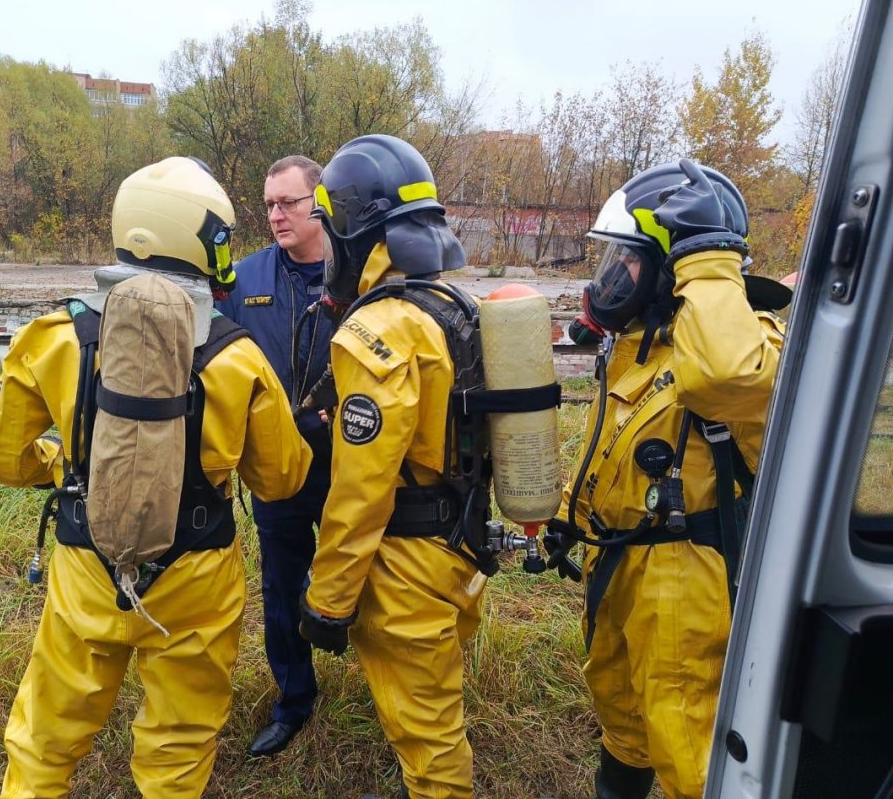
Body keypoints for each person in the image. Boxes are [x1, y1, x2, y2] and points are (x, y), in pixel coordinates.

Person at [0, 156, 312, 799]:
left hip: (84, 564)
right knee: (178, 744)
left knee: (45, 736)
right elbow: (283, 479)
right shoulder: (238, 358)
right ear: (206, 241)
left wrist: (59, 470)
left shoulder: (55, 337)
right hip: (197, 577)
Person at [544, 159, 787, 799]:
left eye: (627, 260)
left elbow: (723, 380)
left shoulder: (743, 342)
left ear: (672, 265)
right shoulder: (642, 345)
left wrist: (708, 254)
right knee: (621, 708)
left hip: (687, 580)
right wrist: (570, 514)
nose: (610, 279)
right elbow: (607, 445)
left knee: (687, 739)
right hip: (624, 567)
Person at [298, 134, 487, 799]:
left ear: (351, 231)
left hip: (406, 563)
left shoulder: (376, 331)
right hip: (458, 543)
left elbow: (361, 489)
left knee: (429, 734)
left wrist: (328, 601)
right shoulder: (449, 307)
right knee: (434, 703)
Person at [217, 155, 334, 757]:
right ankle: (293, 701)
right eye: (268, 204)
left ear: (321, 203)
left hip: (349, 469)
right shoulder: (245, 280)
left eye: (287, 202)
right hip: (276, 470)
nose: (276, 215)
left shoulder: (357, 274)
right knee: (282, 586)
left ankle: (398, 697)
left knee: (372, 583)